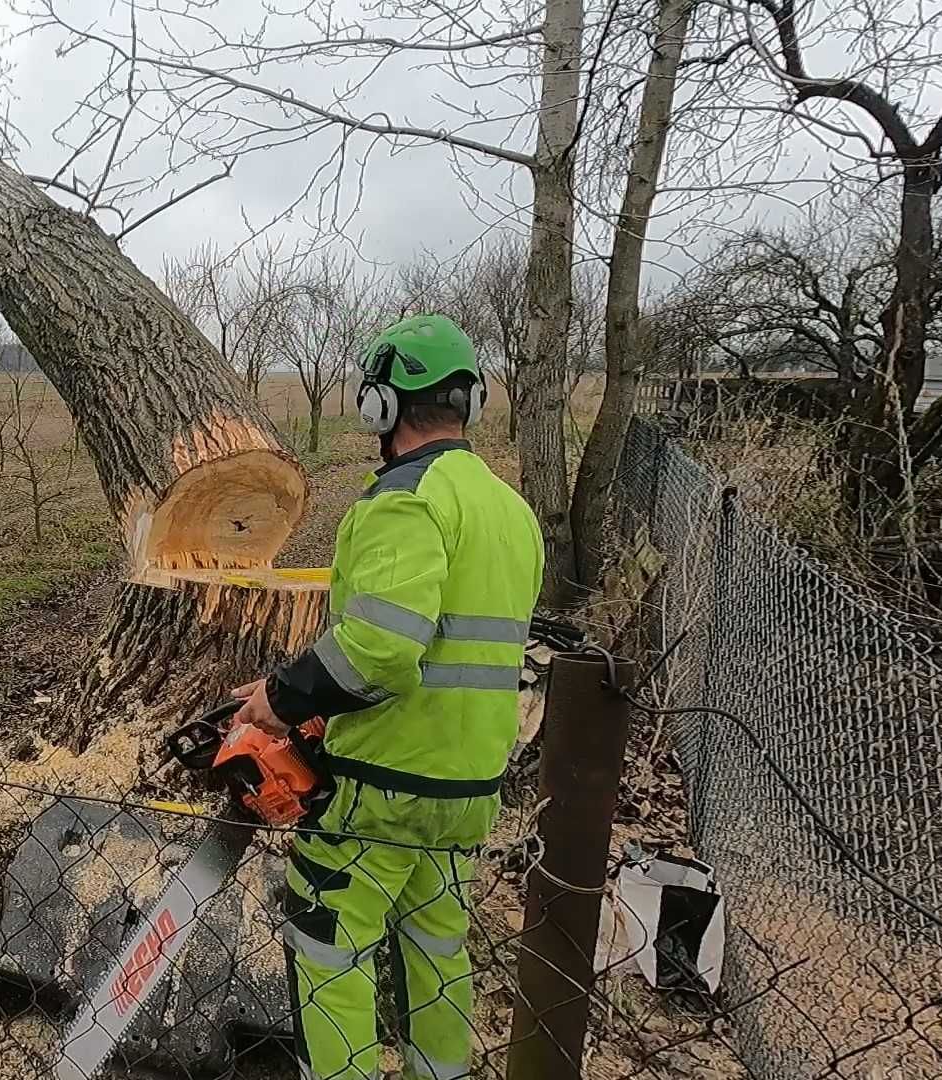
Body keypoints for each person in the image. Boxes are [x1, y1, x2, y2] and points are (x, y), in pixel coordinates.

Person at [230, 314, 543, 1080]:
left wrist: (279, 695)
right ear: (467, 402)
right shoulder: (510, 511)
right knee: (437, 950)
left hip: (383, 790)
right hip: (468, 787)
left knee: (328, 942)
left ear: (380, 406)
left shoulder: (403, 501)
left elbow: (380, 651)